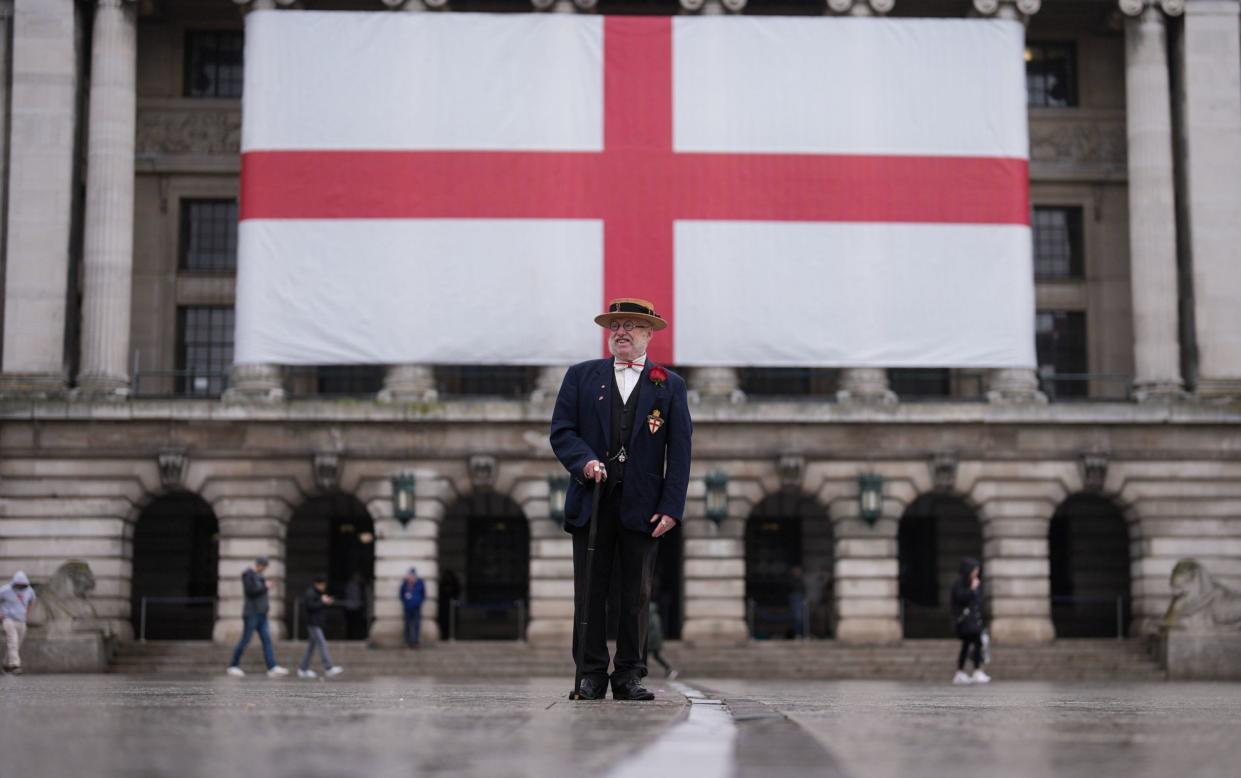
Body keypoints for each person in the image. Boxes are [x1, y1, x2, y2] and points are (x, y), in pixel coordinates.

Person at [550, 297, 692, 701]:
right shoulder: (580, 377)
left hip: (644, 506)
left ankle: (629, 674)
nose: (622, 332)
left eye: (631, 325)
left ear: (649, 334)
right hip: (592, 501)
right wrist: (586, 462)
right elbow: (562, 431)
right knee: (590, 592)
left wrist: (671, 507)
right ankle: (590, 673)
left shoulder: (669, 384)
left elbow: (679, 452)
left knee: (637, 594)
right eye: (616, 326)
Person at [226, 557, 288, 677]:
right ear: (259, 565)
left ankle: (272, 667)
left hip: (261, 614)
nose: (264, 569)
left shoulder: (260, 577)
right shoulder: (248, 575)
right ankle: (233, 665)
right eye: (264, 567)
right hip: (251, 614)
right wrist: (266, 586)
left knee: (267, 640)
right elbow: (251, 591)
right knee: (245, 639)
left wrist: (265, 586)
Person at [951, 557, 990, 684]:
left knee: (975, 645)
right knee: (968, 645)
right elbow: (961, 598)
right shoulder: (959, 583)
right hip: (966, 622)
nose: (976, 573)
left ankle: (972, 671)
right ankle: (965, 672)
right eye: (975, 570)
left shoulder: (975, 582)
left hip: (975, 621)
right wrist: (972, 589)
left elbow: (978, 603)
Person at [299, 576, 344, 679]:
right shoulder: (311, 593)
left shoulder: (316, 593)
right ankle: (328, 667)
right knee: (322, 643)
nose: (324, 587)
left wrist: (324, 602)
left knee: (311, 648)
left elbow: (317, 606)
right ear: (317, 584)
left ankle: (303, 668)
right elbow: (311, 606)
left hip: (315, 623)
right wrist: (322, 602)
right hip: (313, 624)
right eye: (322, 585)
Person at [1, 571, 37, 674]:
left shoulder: (29, 591)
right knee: (13, 640)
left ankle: (6, 664)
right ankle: (15, 665)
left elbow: (32, 601)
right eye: (18, 584)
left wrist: (28, 614)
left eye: (22, 584)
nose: (20, 586)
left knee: (16, 644)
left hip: (22, 620)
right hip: (8, 619)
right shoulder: (5, 590)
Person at [645, 602, 677, 680]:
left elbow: (652, 631)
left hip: (652, 641)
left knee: (645, 656)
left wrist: (648, 642)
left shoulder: (651, 617)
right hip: (656, 641)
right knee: (656, 656)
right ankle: (669, 669)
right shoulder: (655, 616)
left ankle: (643, 673)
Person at [400, 567, 425, 648]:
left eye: (412, 575)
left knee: (417, 625)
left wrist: (419, 602)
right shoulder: (405, 584)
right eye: (410, 575)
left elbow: (423, 594)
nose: (411, 577)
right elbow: (401, 594)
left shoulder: (419, 583)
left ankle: (416, 642)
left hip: (416, 607)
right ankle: (407, 642)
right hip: (407, 607)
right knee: (407, 625)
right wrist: (405, 602)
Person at [788, 565, 807, 639]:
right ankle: (796, 633)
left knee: (801, 617)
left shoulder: (801, 580)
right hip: (794, 598)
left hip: (800, 598)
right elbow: (790, 589)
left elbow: (803, 589)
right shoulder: (791, 580)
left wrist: (804, 599)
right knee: (796, 617)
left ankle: (800, 633)